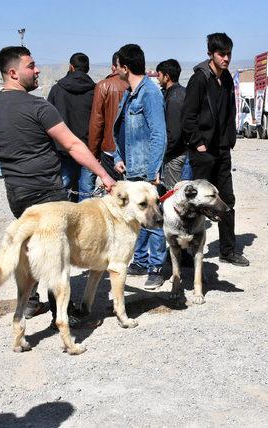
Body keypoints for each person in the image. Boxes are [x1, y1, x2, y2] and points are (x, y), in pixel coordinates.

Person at [0, 46, 116, 328]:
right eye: (31, 66)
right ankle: (61, 314)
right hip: (48, 192)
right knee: (56, 255)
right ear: (13, 72)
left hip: (17, 194)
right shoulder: (37, 106)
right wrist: (103, 174)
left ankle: (30, 303)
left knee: (31, 245)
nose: (37, 70)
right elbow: (72, 144)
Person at [182, 32, 249, 267]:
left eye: (229, 54)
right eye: (222, 54)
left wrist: (230, 138)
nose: (226, 58)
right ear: (211, 54)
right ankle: (188, 252)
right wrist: (198, 142)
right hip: (203, 151)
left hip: (222, 149)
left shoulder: (227, 78)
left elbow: (229, 110)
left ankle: (228, 250)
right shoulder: (199, 79)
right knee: (197, 202)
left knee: (226, 199)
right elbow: (188, 115)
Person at [112, 44, 167, 289]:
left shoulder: (150, 93)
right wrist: (118, 157)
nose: (114, 70)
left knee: (154, 219)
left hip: (146, 171)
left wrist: (154, 169)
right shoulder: (129, 93)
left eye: (117, 66)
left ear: (125, 67)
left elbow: (158, 134)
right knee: (137, 217)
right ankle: (141, 260)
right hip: (131, 168)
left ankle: (156, 267)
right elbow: (123, 131)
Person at [47, 52, 96, 201]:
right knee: (86, 191)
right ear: (87, 68)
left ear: (71, 67)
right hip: (88, 147)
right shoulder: (95, 90)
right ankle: (85, 223)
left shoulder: (57, 89)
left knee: (64, 187)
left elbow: (47, 119)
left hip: (63, 147)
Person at [84, 51, 128, 200]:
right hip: (134, 150)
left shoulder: (103, 86)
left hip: (110, 150)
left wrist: (93, 153)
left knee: (114, 194)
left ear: (113, 67)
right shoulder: (137, 85)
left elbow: (97, 122)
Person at [156, 58, 190, 189]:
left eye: (159, 75)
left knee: (174, 195)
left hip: (175, 156)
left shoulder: (174, 98)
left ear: (167, 76)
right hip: (182, 152)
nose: (158, 79)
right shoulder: (182, 92)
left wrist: (163, 153)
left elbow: (174, 133)